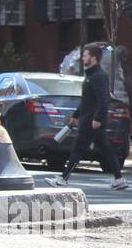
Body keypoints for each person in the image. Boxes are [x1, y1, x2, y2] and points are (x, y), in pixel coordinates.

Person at [49, 44, 127, 190]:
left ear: (93, 58)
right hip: (87, 119)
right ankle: (119, 179)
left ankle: (63, 179)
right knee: (106, 150)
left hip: (92, 121)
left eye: (85, 55)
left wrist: (98, 118)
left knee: (78, 149)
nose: (83, 58)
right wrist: (76, 115)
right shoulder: (90, 76)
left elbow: (104, 99)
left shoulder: (99, 76)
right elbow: (87, 99)